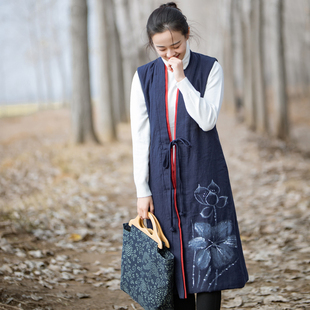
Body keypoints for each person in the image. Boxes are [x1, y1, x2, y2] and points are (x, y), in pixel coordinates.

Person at [130, 2, 248, 309]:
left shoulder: (210, 68)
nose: (170, 54)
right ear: (151, 44)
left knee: (208, 257)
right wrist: (142, 190)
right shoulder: (143, 78)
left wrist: (182, 79)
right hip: (162, 178)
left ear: (187, 35)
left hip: (203, 174)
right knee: (172, 259)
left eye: (176, 46)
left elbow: (207, 118)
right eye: (161, 49)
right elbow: (140, 137)